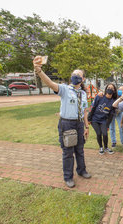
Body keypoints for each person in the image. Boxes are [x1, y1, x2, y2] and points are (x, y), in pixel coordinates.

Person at [33, 56, 91, 188]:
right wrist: (39, 71)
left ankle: (82, 171)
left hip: (79, 124)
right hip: (67, 124)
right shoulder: (64, 89)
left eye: (78, 75)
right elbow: (50, 83)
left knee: (80, 150)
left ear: (83, 79)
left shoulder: (83, 93)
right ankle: (68, 177)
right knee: (68, 152)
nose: (75, 76)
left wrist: (86, 126)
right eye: (74, 74)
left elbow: (85, 111)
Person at [89, 83, 117, 155]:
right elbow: (93, 107)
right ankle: (101, 147)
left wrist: (107, 125)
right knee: (98, 133)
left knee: (105, 134)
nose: (110, 89)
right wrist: (89, 118)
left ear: (114, 91)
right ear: (106, 88)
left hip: (103, 120)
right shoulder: (99, 97)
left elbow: (111, 115)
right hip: (94, 119)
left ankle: (106, 147)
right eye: (109, 87)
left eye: (112, 88)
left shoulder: (113, 101)